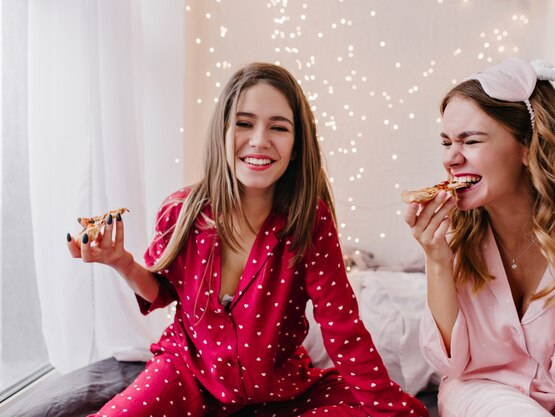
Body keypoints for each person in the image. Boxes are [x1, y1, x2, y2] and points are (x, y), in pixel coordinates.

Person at [68, 62, 428, 417]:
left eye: (279, 127)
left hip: (278, 389)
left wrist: (387, 410)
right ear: (222, 132)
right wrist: (122, 262)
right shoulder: (181, 211)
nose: (259, 140)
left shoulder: (310, 221)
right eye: (244, 123)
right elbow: (162, 291)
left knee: (386, 409)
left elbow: (342, 327)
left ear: (297, 145)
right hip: (185, 372)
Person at [404, 57, 555, 417]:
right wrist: (437, 259)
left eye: (470, 141)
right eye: (446, 142)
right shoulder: (454, 230)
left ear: (527, 147)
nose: (451, 158)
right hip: (485, 389)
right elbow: (452, 363)